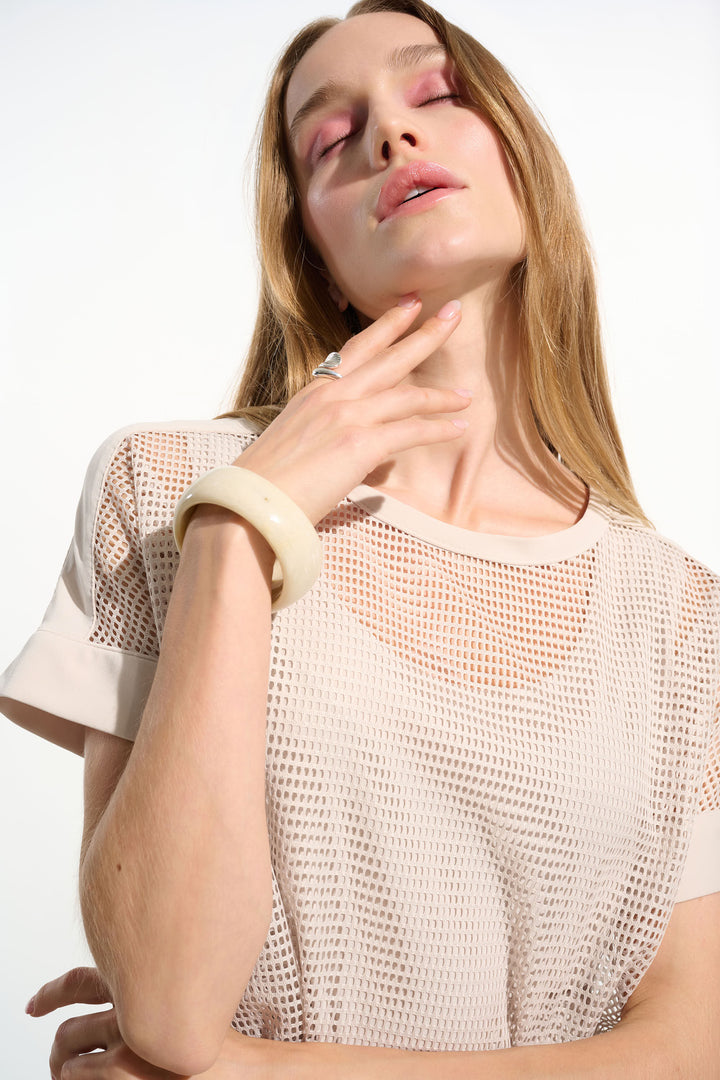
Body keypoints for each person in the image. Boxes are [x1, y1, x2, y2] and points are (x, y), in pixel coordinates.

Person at [3, 0, 719, 1077]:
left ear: (526, 162)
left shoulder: (679, 615)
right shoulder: (163, 489)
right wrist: (243, 521)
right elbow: (168, 996)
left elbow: (685, 1048)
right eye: (330, 141)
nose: (391, 133)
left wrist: (256, 1072)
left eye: (435, 93)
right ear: (319, 256)